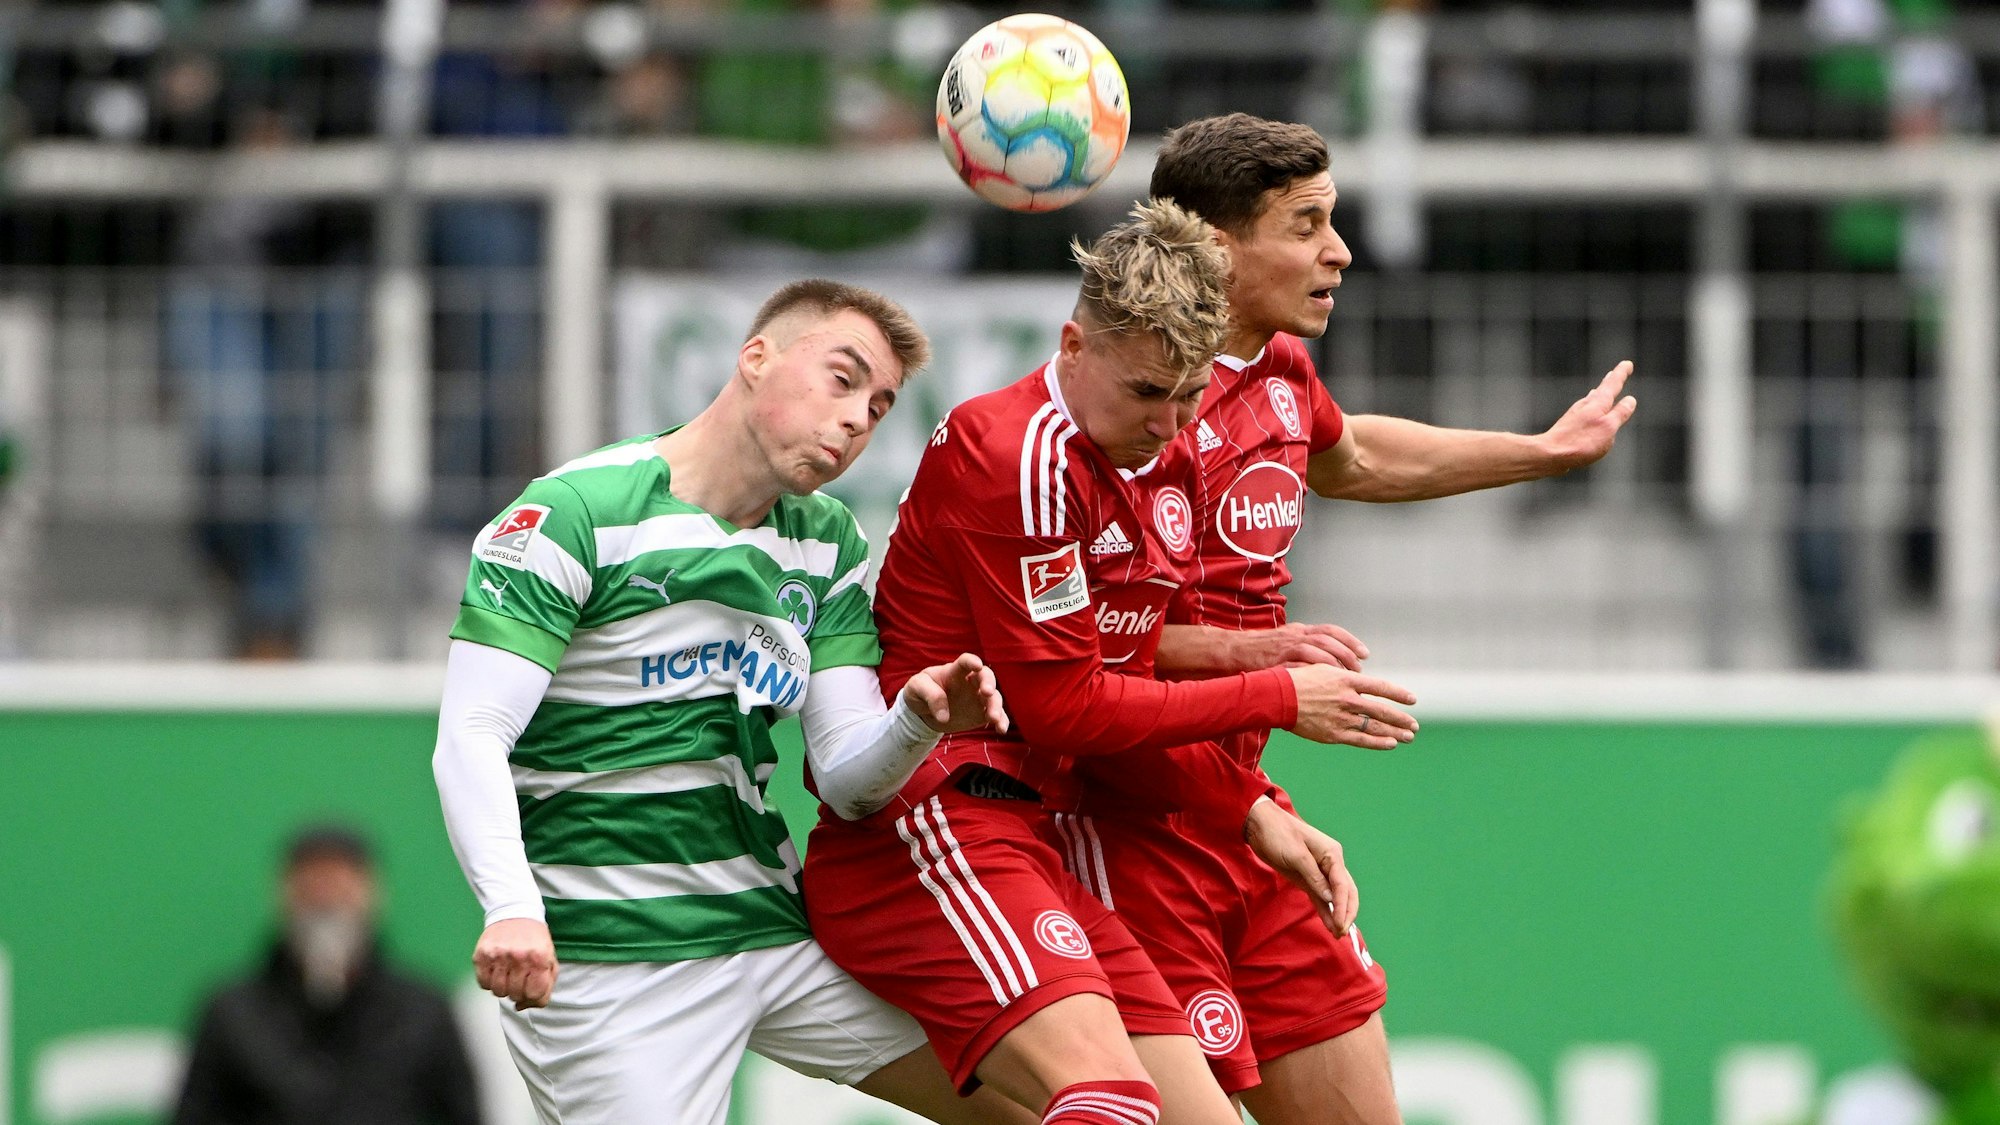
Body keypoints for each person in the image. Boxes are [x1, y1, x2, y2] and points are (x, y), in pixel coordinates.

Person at [1060, 112, 1639, 1125]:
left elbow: (1354, 459)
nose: (1338, 251)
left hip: (1246, 812)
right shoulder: (1122, 410)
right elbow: (1068, 653)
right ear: (1213, 246)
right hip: (1129, 827)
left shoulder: (1280, 372)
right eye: (1305, 224)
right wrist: (1268, 670)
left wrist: (1540, 452)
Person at [801, 200, 1421, 1125]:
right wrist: (1278, 693)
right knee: (1116, 1103)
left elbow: (1115, 656)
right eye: (1145, 392)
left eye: (1189, 393)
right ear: (1074, 345)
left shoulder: (1148, 448)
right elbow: (1067, 706)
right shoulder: (1017, 456)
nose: (1169, 422)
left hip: (1038, 833)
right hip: (942, 824)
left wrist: (1244, 797)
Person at [430, 278, 1036, 1125]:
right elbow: (471, 733)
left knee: (1052, 1102)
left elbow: (850, 777)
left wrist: (916, 721)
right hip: (615, 959)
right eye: (842, 377)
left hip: (773, 929)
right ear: (756, 357)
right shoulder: (575, 513)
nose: (859, 416)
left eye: (881, 403)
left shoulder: (825, 541)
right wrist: (512, 908)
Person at [171, 825, 481, 1125]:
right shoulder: (232, 1011)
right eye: (311, 884)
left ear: (373, 893)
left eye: (341, 884)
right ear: (283, 893)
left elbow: (466, 1114)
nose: (326, 898)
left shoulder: (422, 1009)